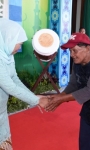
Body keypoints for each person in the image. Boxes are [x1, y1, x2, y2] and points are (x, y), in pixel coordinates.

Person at [45, 33, 90, 150]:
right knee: (84, 145)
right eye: (70, 51)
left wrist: (61, 99)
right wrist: (59, 98)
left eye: (75, 51)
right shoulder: (77, 63)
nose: (72, 55)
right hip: (89, 107)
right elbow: (74, 84)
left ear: (88, 48)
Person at [0, 18, 49, 149]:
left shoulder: (8, 56)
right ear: (8, 38)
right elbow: (9, 87)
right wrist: (36, 100)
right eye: (19, 43)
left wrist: (32, 97)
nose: (20, 47)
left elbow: (14, 79)